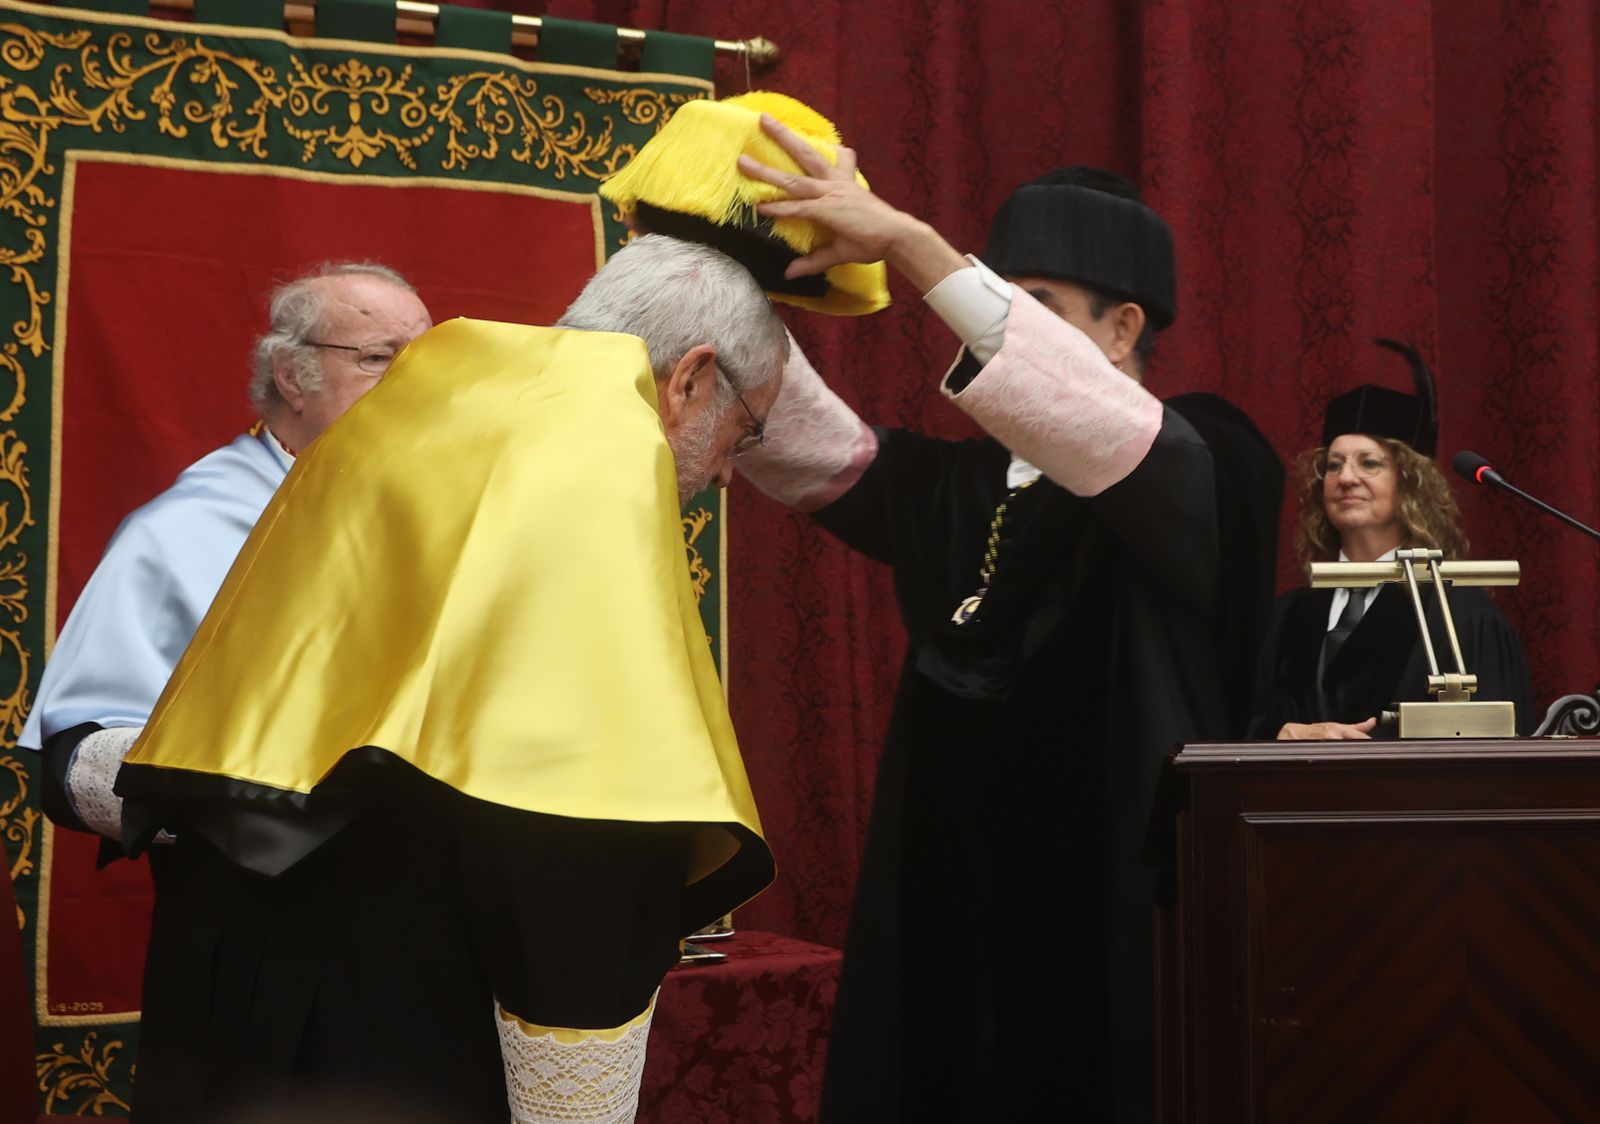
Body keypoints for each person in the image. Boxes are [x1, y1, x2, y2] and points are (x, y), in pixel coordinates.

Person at [113, 235, 784, 1124]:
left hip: (227, 960)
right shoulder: (601, 450)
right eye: (748, 431)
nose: (731, 473)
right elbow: (575, 823)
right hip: (382, 1009)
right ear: (692, 378)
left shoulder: (433, 399)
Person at [726, 120, 1284, 1122]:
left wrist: (908, 241)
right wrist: (721, 270)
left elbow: (1110, 437)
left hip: (1121, 906)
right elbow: (799, 438)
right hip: (955, 906)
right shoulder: (969, 481)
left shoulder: (1213, 455)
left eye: (1034, 307)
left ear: (1122, 328)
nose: (987, 328)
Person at [20, 261, 432, 847]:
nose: (417, 381)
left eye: (427, 358)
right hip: (271, 904)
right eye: (378, 357)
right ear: (293, 375)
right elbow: (80, 761)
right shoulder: (183, 530)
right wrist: (265, 808)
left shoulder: (454, 511)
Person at [1249, 340, 1532, 740]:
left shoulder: (1460, 614)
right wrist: (1289, 733)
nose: (1346, 478)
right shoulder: (1288, 615)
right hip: (1302, 800)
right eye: (1333, 465)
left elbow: (1502, 757)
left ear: (1409, 483)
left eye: (1369, 463)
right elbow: (1249, 723)